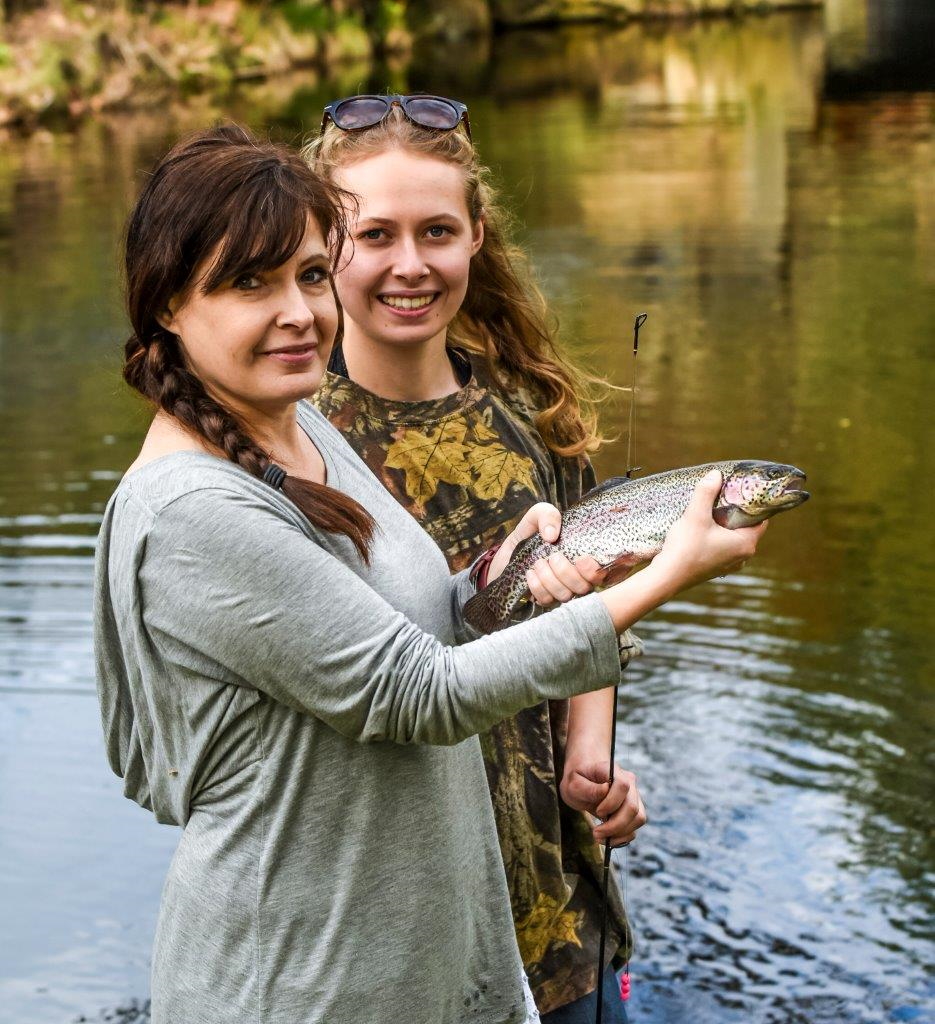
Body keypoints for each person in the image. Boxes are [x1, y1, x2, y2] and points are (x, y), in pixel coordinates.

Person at [93, 124, 766, 1024]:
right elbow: (417, 696)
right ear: (168, 304)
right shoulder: (191, 511)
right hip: (299, 983)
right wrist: (665, 573)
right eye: (249, 283)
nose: (298, 311)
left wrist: (501, 570)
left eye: (305, 273)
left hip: (417, 961)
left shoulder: (293, 423)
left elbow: (415, 617)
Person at [305, 95, 646, 1021]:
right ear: (320, 246)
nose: (409, 265)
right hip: (390, 917)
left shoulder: (533, 413)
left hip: (550, 900)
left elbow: (592, 604)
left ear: (476, 237)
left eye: (437, 231)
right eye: (373, 234)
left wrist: (589, 753)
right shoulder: (291, 437)